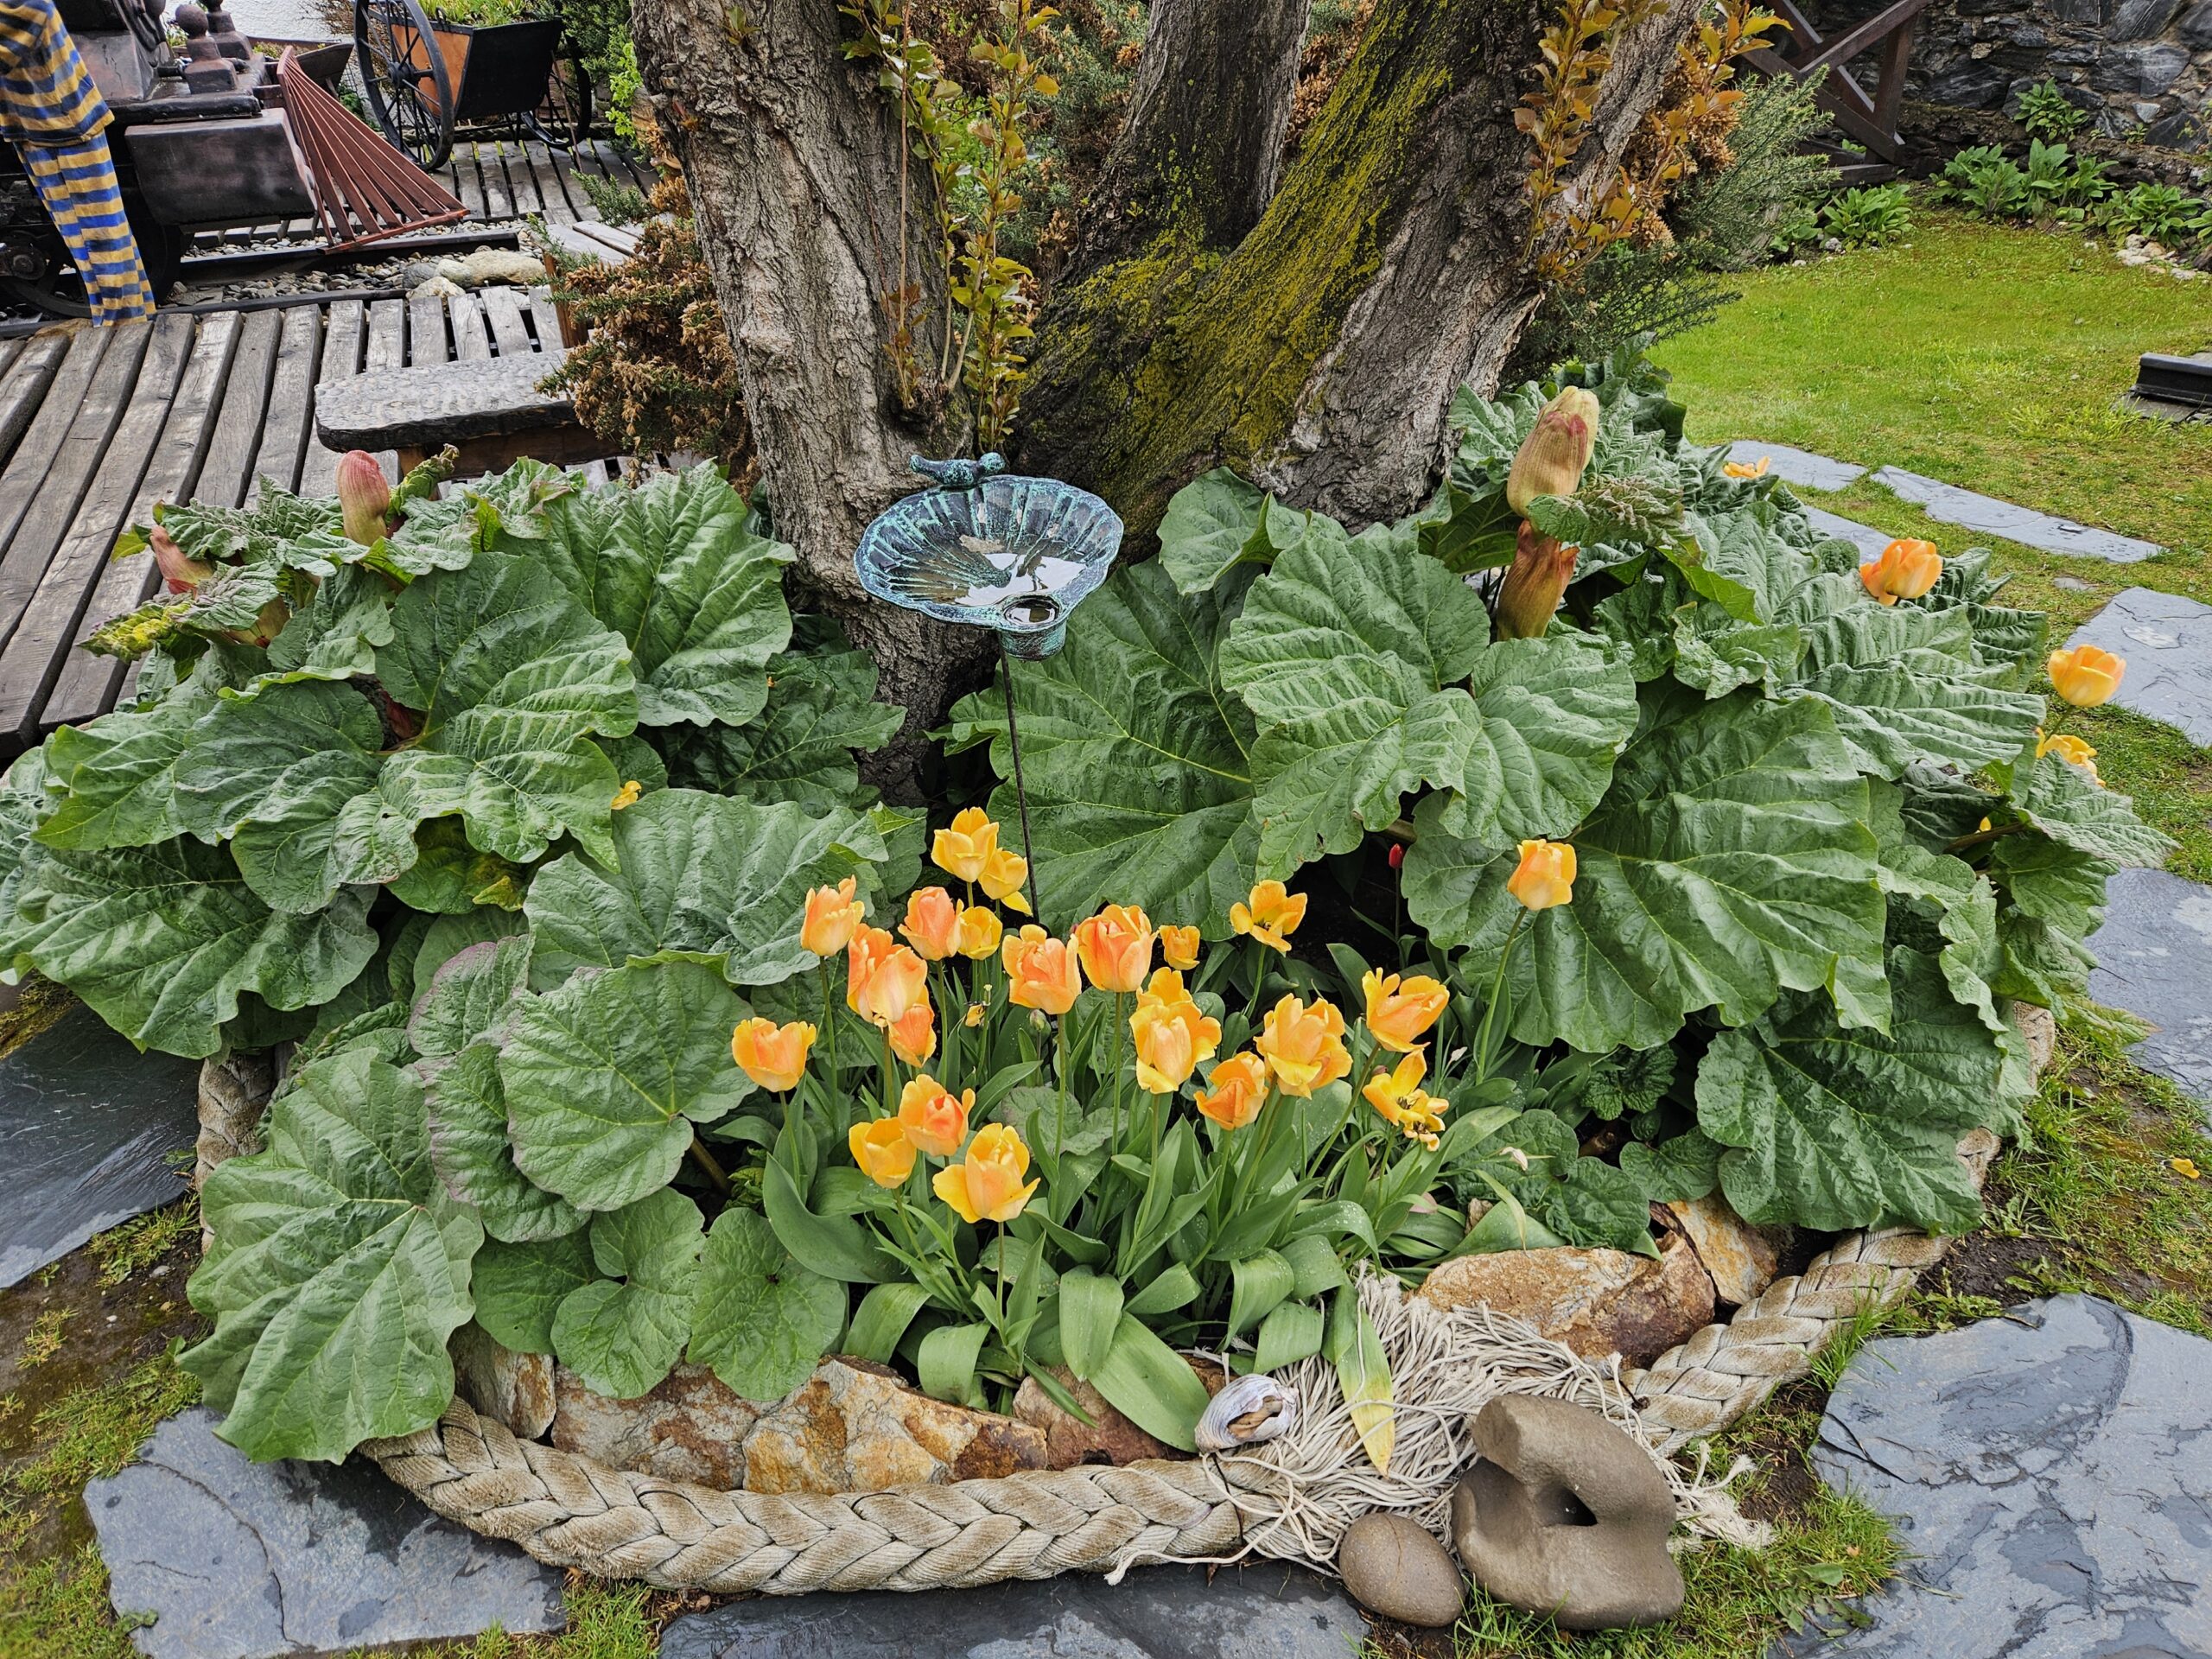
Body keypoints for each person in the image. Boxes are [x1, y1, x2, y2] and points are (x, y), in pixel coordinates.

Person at [0, 0, 157, 321]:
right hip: (34, 123)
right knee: (85, 242)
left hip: (62, 123)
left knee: (101, 240)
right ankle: (124, 319)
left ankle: (125, 324)